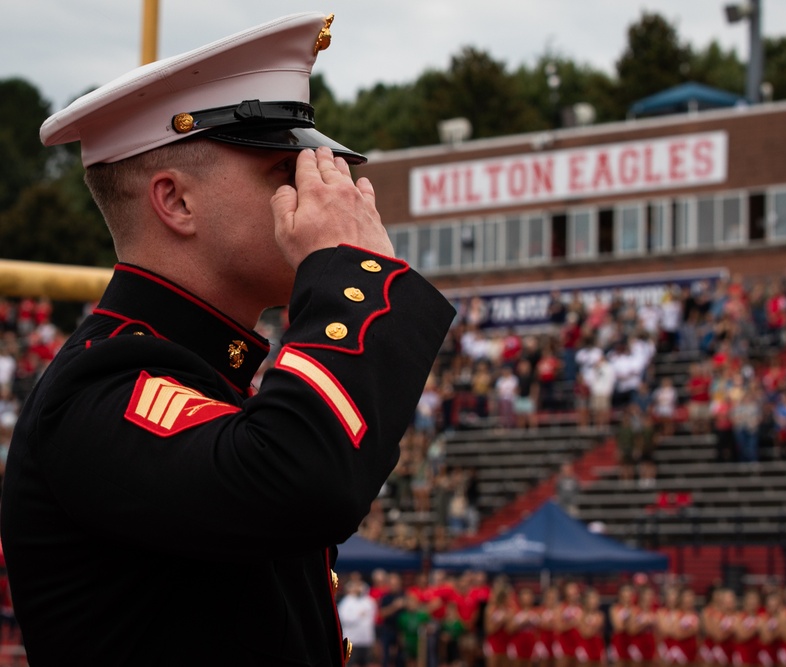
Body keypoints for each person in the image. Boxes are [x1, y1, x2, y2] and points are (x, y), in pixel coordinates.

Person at [0, 13, 455, 667]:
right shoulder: (100, 389)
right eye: (281, 170)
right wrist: (349, 277)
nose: (314, 187)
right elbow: (304, 480)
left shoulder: (210, 375)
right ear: (175, 202)